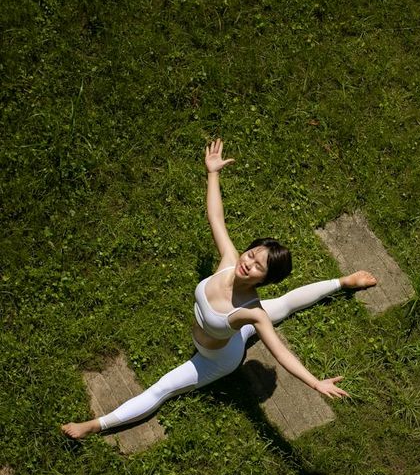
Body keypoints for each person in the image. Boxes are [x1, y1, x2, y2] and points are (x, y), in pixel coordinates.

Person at [61, 139, 376, 440]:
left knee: (161, 388)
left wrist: (315, 383)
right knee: (284, 304)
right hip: (225, 333)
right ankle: (343, 282)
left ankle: (93, 426)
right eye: (251, 254)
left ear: (263, 279)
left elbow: (281, 354)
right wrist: (213, 174)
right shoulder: (229, 260)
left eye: (257, 266)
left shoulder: (253, 313)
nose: (248, 262)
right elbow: (216, 217)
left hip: (217, 358)